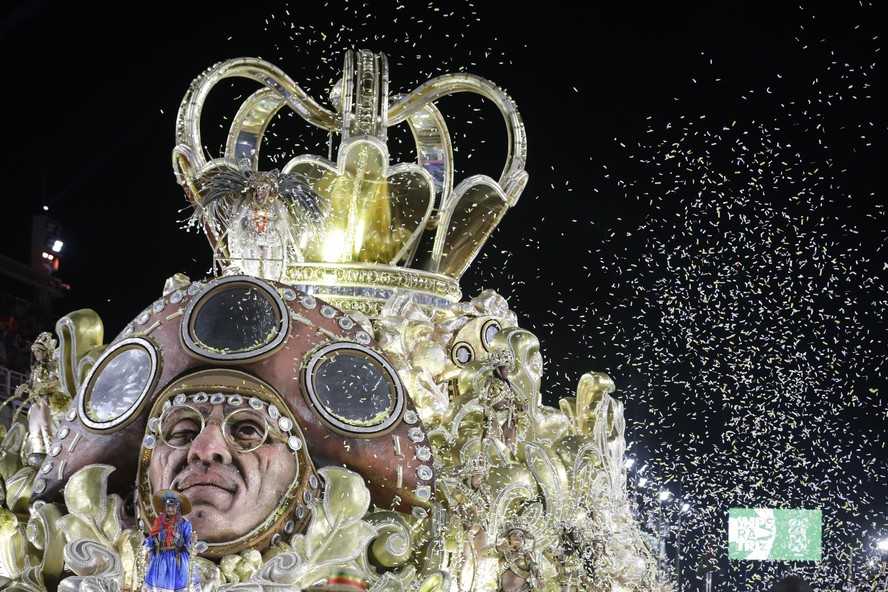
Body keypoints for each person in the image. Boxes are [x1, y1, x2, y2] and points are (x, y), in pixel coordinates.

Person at [143, 490, 200, 592]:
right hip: (161, 558)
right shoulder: (159, 522)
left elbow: (188, 541)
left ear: (177, 507)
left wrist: (192, 540)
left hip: (179, 559)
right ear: (164, 507)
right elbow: (153, 539)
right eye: (168, 506)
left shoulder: (184, 524)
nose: (170, 509)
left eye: (173, 506)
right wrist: (144, 541)